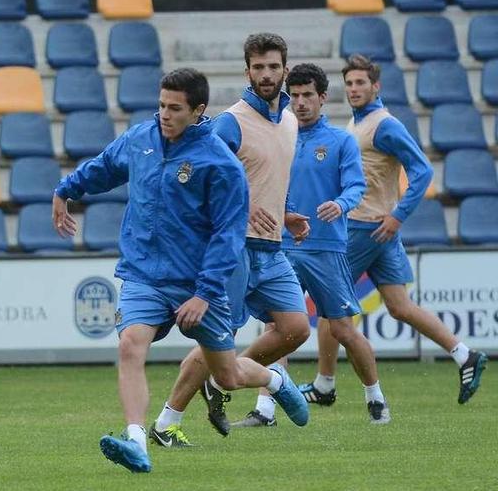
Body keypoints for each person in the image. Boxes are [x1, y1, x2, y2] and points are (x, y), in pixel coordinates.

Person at [52, 68, 308, 474]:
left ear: (198, 110)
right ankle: (136, 441)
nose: (164, 115)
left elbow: (228, 237)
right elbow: (103, 167)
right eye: (161, 106)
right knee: (130, 345)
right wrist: (66, 189)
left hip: (197, 284)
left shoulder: (219, 163)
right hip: (144, 276)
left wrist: (204, 293)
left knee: (227, 374)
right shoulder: (141, 139)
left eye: (175, 109)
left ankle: (275, 382)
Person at [299, 54, 488, 407]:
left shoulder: (383, 125)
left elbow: (423, 173)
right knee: (400, 306)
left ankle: (325, 385)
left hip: (363, 227)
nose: (354, 89)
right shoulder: (361, 123)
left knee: (329, 306)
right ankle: (464, 354)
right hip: (378, 230)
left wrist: (398, 215)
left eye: (360, 83)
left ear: (376, 86)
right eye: (349, 83)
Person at [149, 33, 311, 443]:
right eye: (258, 67)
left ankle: (224, 378)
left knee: (296, 328)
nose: (266, 74)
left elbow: (273, 174)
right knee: (215, 341)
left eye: (273, 66)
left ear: (285, 70)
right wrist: (240, 207)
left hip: (271, 247)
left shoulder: (290, 120)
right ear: (247, 72)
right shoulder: (231, 122)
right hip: (232, 249)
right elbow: (198, 174)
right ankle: (168, 422)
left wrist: (285, 211)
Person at [233, 63, 390, 426]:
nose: (300, 103)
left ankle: (375, 397)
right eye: (296, 95)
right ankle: (265, 408)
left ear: (323, 97)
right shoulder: (279, 135)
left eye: (308, 95)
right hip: (282, 245)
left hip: (326, 248)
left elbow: (355, 185)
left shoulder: (340, 141)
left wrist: (342, 203)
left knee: (342, 328)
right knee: (278, 328)